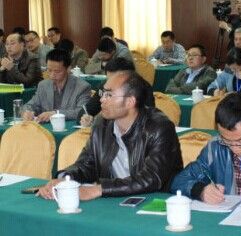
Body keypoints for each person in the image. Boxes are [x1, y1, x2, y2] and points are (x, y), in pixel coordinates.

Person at [37, 72, 183, 200]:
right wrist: (65, 179)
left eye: (109, 95)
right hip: (113, 200)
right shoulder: (102, 123)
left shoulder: (159, 128)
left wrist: (99, 189)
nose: (101, 99)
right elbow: (87, 164)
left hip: (154, 201)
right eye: (102, 93)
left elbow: (151, 179)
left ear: (130, 101)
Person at [22, 49, 91, 122]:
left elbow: (82, 112)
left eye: (57, 71)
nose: (52, 75)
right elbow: (30, 105)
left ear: (68, 69)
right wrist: (27, 112)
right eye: (49, 70)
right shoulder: (43, 85)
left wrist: (55, 114)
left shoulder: (82, 87)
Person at [80, 58, 155, 126]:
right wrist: (86, 119)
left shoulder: (143, 88)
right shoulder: (105, 87)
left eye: (115, 80)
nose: (110, 84)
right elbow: (86, 110)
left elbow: (148, 119)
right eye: (108, 79)